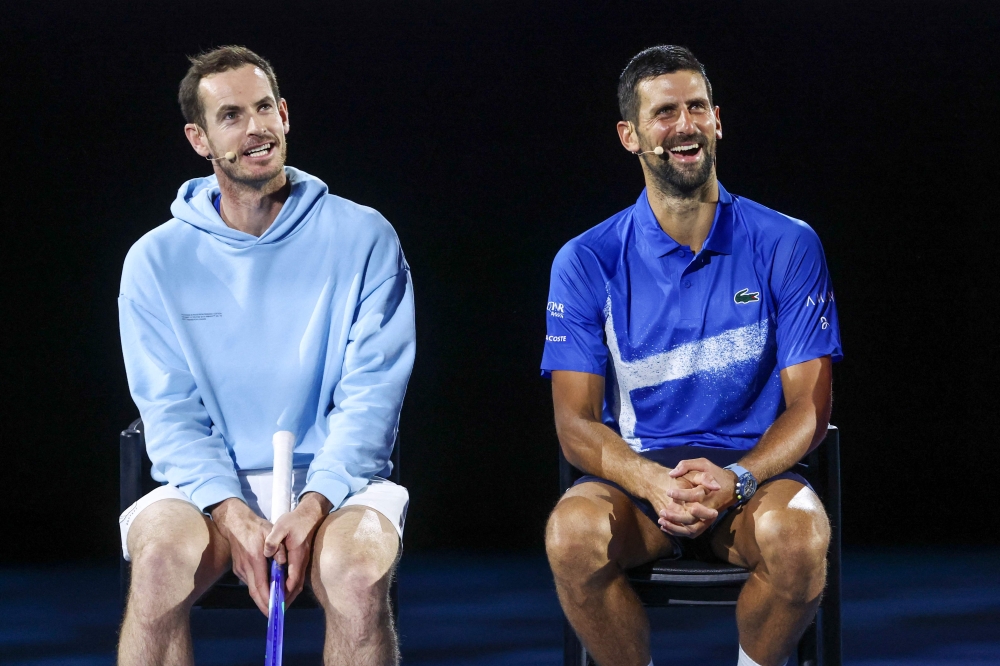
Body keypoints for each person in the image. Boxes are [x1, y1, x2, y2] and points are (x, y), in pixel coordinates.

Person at [541, 45, 842, 666]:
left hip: (752, 483)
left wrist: (737, 480)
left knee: (803, 535)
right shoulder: (585, 259)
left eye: (697, 108)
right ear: (629, 135)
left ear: (718, 120)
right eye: (664, 113)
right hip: (638, 486)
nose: (685, 126)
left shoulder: (788, 243)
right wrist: (652, 481)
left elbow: (809, 408)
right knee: (570, 536)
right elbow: (575, 422)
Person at [116, 46, 414, 666]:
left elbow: (372, 396)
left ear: (284, 114)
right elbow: (169, 411)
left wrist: (315, 502)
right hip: (204, 488)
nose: (255, 128)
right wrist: (230, 510)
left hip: (340, 485)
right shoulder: (154, 260)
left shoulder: (364, 236)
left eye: (263, 109)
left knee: (357, 575)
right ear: (199, 139)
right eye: (231, 116)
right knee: (158, 564)